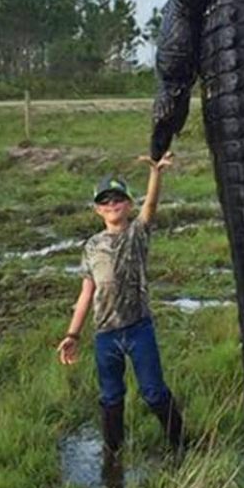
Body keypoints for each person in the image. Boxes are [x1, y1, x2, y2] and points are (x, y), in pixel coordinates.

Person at [58, 154, 185, 461]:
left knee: (154, 391)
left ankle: (180, 444)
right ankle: (112, 453)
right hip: (105, 334)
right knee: (111, 397)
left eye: (118, 200)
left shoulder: (137, 233)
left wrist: (156, 174)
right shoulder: (91, 246)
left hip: (139, 328)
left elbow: (151, 207)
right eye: (105, 201)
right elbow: (87, 291)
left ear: (128, 204)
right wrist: (72, 334)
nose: (112, 205)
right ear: (97, 209)